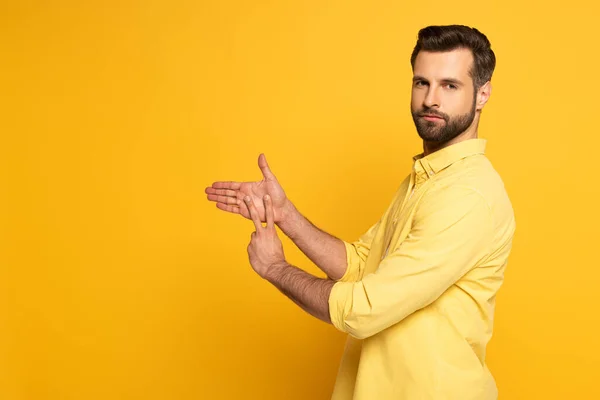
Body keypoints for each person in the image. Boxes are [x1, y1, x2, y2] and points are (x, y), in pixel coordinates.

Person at [205, 24, 515, 400]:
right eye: (422, 83)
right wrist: (285, 215)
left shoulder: (467, 195)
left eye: (450, 85)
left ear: (482, 94)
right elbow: (360, 265)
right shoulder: (426, 179)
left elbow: (364, 310)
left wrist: (275, 268)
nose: (431, 99)